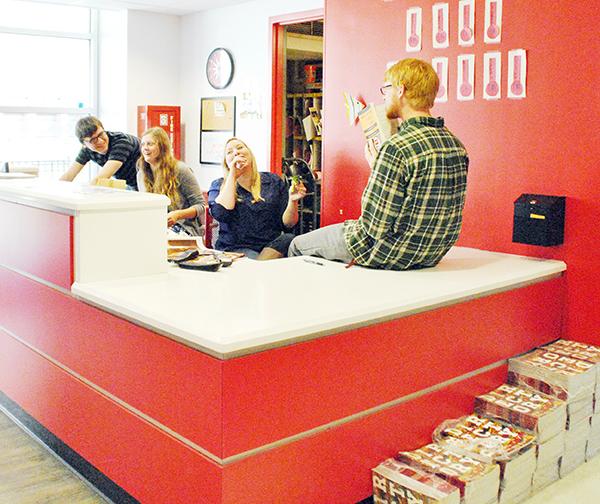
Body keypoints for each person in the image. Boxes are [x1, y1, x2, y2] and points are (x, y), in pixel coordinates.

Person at [289, 58, 469, 270]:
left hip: (386, 252)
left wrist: (377, 167)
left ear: (400, 90)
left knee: (297, 245)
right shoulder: (455, 145)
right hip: (432, 252)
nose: (384, 97)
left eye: (386, 89)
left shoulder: (396, 148)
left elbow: (374, 226)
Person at [207, 137, 306, 260]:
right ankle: (259, 268)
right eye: (229, 152)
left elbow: (288, 224)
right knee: (256, 259)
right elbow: (221, 213)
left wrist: (293, 201)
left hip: (270, 246)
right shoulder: (218, 185)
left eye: (240, 147)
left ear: (250, 153)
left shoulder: (273, 180)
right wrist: (232, 175)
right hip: (235, 247)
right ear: (226, 162)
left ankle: (258, 268)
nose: (236, 152)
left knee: (289, 238)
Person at [137, 127, 205, 236]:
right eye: (143, 144)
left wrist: (178, 215)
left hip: (183, 231)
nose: (145, 148)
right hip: (154, 229)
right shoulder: (141, 175)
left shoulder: (181, 170)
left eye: (150, 144)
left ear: (162, 147)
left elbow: (200, 206)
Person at [60, 116, 140, 189]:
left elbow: (101, 178)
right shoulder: (87, 150)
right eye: (93, 140)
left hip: (149, 181)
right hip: (132, 183)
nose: (100, 141)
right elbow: (69, 175)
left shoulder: (122, 142)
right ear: (84, 144)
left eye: (101, 134)